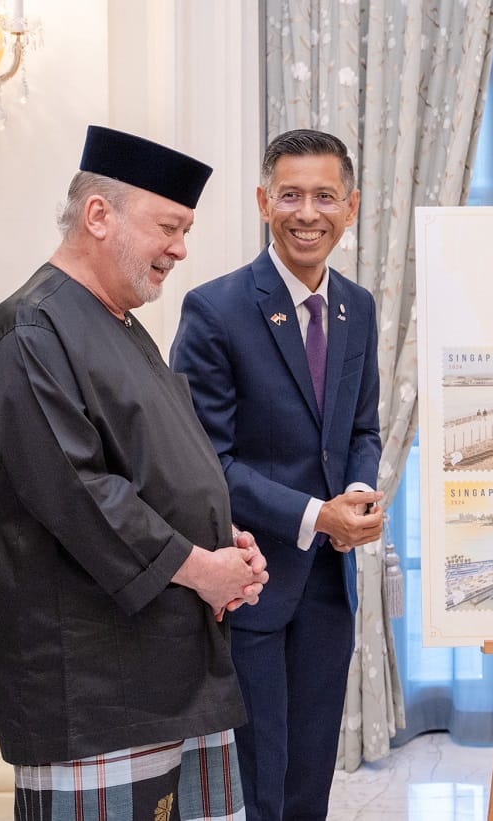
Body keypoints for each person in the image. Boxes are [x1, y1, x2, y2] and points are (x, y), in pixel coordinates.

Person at [0, 125, 269, 819]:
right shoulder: (29, 329)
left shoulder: (124, 326)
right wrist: (204, 568)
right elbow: (82, 496)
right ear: (99, 215)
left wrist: (225, 545)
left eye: (187, 231)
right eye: (169, 227)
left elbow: (161, 471)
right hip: (94, 680)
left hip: (171, 661)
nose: (181, 249)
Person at [170, 129, 384, 820]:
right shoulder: (215, 309)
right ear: (264, 202)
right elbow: (203, 461)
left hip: (329, 588)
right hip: (252, 587)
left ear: (351, 206)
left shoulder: (359, 307)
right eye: (290, 195)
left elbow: (361, 430)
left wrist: (356, 497)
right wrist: (315, 515)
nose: (307, 213)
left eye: (325, 196)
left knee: (310, 784)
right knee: (260, 787)